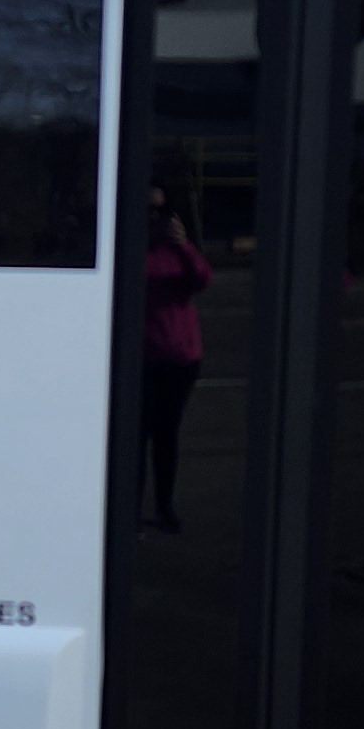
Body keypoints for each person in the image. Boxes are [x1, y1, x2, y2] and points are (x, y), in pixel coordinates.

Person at [140, 178, 212, 532]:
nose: (155, 217)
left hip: (179, 357)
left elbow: (202, 280)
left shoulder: (177, 250)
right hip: (140, 359)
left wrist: (184, 246)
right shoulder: (129, 249)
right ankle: (131, 508)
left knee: (167, 434)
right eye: (148, 211)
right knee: (136, 435)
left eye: (161, 210)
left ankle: (164, 506)